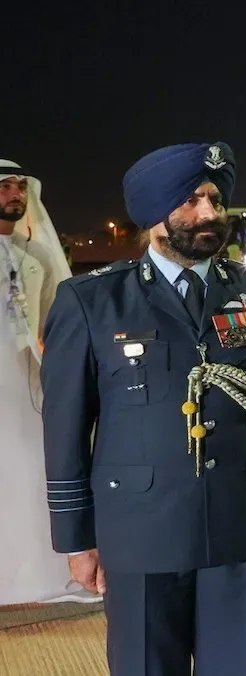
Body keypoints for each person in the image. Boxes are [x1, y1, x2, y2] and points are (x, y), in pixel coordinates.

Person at [40, 142, 246, 674]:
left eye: (214, 198)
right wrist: (76, 537)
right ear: (152, 214)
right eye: (189, 200)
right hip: (140, 531)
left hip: (242, 520)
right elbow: (66, 425)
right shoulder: (92, 301)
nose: (208, 213)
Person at [0, 160, 96, 606]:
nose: (14, 194)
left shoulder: (34, 256)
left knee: (29, 469)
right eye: (4, 187)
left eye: (19, 186)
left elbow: (54, 320)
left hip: (27, 383)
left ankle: (34, 572)